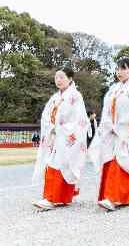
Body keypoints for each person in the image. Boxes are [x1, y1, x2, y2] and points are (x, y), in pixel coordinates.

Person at [89, 59, 129, 211]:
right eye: (117, 69)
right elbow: (107, 110)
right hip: (113, 130)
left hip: (127, 131)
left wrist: (122, 126)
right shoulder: (114, 89)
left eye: (123, 69)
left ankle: (114, 197)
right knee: (110, 160)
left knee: (122, 160)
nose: (120, 72)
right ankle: (118, 196)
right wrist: (109, 124)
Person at [32, 68, 89, 211]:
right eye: (56, 77)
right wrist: (50, 127)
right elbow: (46, 115)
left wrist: (62, 128)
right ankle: (57, 197)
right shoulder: (55, 97)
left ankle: (52, 198)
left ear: (70, 79)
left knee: (62, 164)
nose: (58, 80)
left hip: (67, 137)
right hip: (55, 136)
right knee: (52, 163)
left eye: (62, 77)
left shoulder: (75, 96)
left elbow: (80, 119)